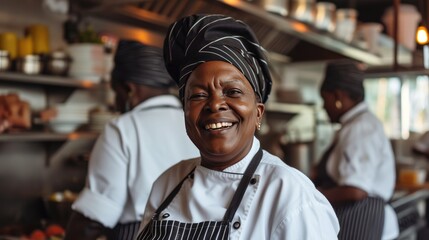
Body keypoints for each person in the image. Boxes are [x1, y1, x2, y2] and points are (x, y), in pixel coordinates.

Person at [136, 14, 339, 240]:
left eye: (232, 92)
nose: (214, 105)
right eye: (198, 95)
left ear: (258, 113)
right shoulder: (168, 182)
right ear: (184, 112)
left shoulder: (290, 194)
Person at [65, 40, 199, 240]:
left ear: (129, 90)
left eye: (115, 92)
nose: (115, 102)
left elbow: (93, 218)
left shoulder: (122, 128)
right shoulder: (196, 123)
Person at [313, 59, 399, 240]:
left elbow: (355, 190)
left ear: (338, 96)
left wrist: (312, 195)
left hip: (363, 218)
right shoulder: (355, 124)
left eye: (324, 99)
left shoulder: (360, 127)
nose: (323, 106)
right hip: (359, 217)